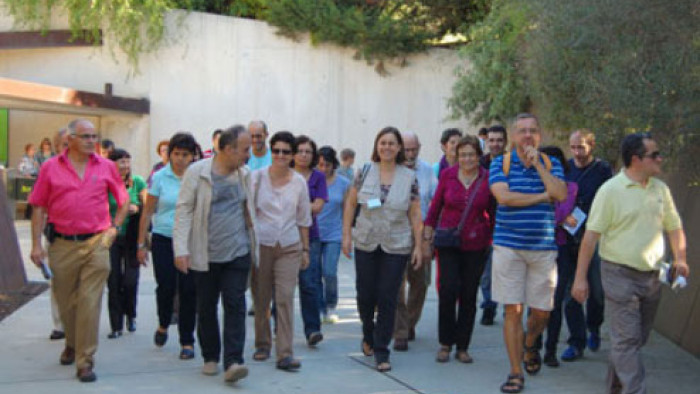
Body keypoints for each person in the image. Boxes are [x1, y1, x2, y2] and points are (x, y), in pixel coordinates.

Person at [572, 133, 689, 394]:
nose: (660, 159)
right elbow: (590, 238)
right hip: (618, 274)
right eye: (654, 155)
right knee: (626, 340)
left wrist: (680, 258)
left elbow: (675, 227)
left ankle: (615, 387)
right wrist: (580, 278)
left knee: (634, 340)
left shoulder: (661, 190)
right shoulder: (610, 191)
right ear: (636, 159)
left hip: (652, 276)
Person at [28, 119, 129, 383]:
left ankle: (85, 360)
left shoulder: (106, 166)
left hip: (97, 242)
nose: (91, 141)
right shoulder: (50, 168)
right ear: (70, 139)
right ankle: (71, 342)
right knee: (66, 302)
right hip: (61, 244)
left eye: (94, 136)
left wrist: (114, 228)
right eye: (85, 136)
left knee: (89, 302)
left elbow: (123, 199)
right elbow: (38, 206)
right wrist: (37, 244)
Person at [489, 113, 567, 393]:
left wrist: (540, 168)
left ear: (540, 136)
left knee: (542, 311)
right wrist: (540, 197)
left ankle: (531, 342)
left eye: (533, 130)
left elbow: (560, 194)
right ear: (513, 136)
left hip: (543, 249)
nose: (528, 136)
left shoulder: (552, 163)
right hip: (508, 246)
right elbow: (504, 197)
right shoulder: (501, 163)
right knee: (513, 310)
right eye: (522, 131)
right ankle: (514, 371)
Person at [173, 126, 255, 383]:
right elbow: (184, 210)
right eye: (244, 149)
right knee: (206, 306)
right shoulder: (198, 172)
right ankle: (210, 355)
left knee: (235, 304)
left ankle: (233, 361)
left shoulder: (245, 174)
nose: (248, 154)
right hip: (205, 253)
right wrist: (181, 249)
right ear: (228, 149)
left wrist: (255, 244)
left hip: (237, 251)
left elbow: (247, 210)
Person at [342, 127, 423, 373]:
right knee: (365, 294)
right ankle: (368, 333)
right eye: (383, 142)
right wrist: (346, 235)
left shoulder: (409, 177)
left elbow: (415, 213)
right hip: (366, 241)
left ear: (399, 148)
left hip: (396, 244)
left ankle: (381, 350)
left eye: (392, 143)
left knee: (388, 296)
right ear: (377, 146)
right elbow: (351, 204)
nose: (387, 147)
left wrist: (419, 245)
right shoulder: (364, 172)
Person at [424, 135, 495, 364]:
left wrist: (493, 238)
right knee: (447, 291)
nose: (466, 159)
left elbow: (494, 212)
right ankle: (445, 343)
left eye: (471, 154)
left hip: (476, 244)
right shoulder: (447, 175)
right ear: (456, 155)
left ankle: (463, 346)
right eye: (462, 154)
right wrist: (427, 233)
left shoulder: (487, 178)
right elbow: (435, 207)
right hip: (448, 242)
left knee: (468, 295)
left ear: (478, 156)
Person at [251, 131, 312, 371]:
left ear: (292, 155)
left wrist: (305, 250)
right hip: (262, 245)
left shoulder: (299, 182)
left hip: (289, 246)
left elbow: (303, 219)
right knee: (261, 299)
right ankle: (263, 343)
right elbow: (248, 212)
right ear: (270, 151)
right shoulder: (255, 178)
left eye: (286, 151)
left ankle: (285, 353)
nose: (280, 155)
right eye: (276, 150)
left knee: (285, 298)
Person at [137, 133, 198, 360]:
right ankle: (163, 323)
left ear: (193, 156)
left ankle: (187, 340)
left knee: (189, 290)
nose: (181, 159)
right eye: (176, 154)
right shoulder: (160, 177)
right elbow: (148, 212)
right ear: (169, 154)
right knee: (166, 286)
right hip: (163, 238)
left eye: (185, 155)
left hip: (190, 240)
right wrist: (141, 243)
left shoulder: (197, 177)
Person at [557, 129, 613, 361]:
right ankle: (576, 342)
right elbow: (556, 199)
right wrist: (562, 217)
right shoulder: (565, 169)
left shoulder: (603, 171)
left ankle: (594, 326)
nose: (576, 152)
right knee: (571, 292)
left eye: (581, 147)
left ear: (592, 145)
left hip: (594, 239)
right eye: (573, 147)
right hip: (569, 239)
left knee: (597, 292)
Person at [392, 132, 437, 351]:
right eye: (406, 150)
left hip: (422, 233)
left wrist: (428, 237)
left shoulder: (428, 171)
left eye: (414, 149)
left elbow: (436, 205)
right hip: (394, 234)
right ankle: (400, 330)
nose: (410, 154)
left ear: (419, 147)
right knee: (396, 284)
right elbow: (370, 201)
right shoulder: (387, 170)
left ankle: (410, 322)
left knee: (420, 283)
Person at [535, 146, 578, 367]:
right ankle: (533, 346)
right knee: (537, 303)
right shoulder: (532, 185)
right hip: (535, 248)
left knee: (555, 302)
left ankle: (550, 350)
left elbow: (559, 213)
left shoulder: (570, 188)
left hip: (560, 251)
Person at [106, 149, 147, 339]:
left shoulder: (137, 182)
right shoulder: (106, 183)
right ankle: (116, 325)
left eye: (127, 162)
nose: (125, 166)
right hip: (111, 237)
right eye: (121, 162)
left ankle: (131, 315)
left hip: (132, 237)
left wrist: (137, 207)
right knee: (113, 281)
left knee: (130, 281)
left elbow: (147, 207)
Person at [292, 135, 328, 346]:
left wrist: (294, 205)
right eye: (300, 151)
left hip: (311, 237)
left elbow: (318, 206)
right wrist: (306, 205)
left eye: (308, 151)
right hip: (284, 235)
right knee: (283, 284)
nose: (304, 155)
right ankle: (281, 326)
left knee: (309, 283)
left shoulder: (318, 177)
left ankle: (313, 329)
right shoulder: (285, 174)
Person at [316, 146, 351, 323]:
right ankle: (320, 308)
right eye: (320, 165)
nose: (323, 169)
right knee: (315, 273)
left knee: (329, 272)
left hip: (334, 234)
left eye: (327, 165)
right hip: (314, 233)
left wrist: (347, 236)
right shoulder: (312, 180)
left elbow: (348, 210)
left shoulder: (343, 183)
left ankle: (331, 305)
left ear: (333, 164)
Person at [479, 125, 508, 325]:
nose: (495, 143)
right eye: (491, 140)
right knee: (486, 272)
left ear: (505, 142)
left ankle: (509, 309)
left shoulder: (512, 163)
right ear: (486, 142)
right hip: (484, 225)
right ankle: (489, 306)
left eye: (499, 140)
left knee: (507, 270)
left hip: (507, 224)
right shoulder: (480, 164)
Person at [47, 128, 70, 341]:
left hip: (88, 238)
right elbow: (39, 205)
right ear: (56, 147)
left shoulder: (94, 167)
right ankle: (60, 325)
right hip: (58, 235)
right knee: (58, 282)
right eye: (64, 144)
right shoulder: (50, 169)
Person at [246, 120, 271, 317]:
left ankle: (268, 300)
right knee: (254, 265)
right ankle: (257, 301)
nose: (255, 140)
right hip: (248, 218)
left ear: (266, 135)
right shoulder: (244, 157)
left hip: (271, 216)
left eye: (259, 135)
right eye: (252, 136)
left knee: (268, 264)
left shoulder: (274, 157)